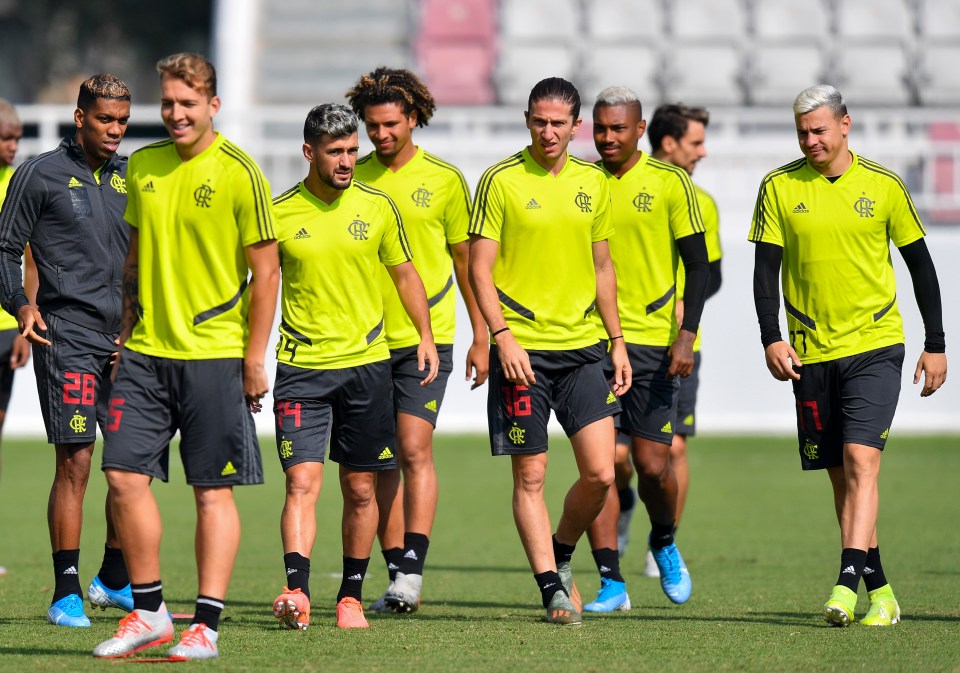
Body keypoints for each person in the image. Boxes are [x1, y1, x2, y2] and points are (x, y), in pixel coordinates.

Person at [93, 53, 279, 659]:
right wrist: (123, 337)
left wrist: (255, 357)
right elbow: (134, 262)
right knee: (121, 476)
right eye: (168, 103)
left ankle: (206, 625)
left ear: (213, 106)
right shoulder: (143, 166)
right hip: (144, 354)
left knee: (210, 491)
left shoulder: (239, 172)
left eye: (188, 104)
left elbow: (266, 271)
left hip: (215, 356)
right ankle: (149, 612)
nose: (175, 114)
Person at [750, 84, 947, 627]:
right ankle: (880, 591)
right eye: (802, 132)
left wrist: (936, 343)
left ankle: (843, 585)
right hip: (812, 352)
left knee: (863, 462)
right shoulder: (778, 187)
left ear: (844, 125)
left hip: (875, 345)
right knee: (842, 477)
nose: (811, 140)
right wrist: (771, 336)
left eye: (819, 129)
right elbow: (765, 272)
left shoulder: (883, 186)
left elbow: (921, 266)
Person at [468, 77, 631, 626]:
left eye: (558, 122)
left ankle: (561, 551)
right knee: (530, 477)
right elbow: (479, 269)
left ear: (576, 126)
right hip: (524, 355)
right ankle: (551, 589)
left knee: (602, 474)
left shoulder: (594, 182)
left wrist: (618, 341)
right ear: (527, 120)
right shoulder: (500, 180)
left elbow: (603, 267)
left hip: (584, 350)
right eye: (539, 120)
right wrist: (501, 336)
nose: (548, 131)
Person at [270, 103, 438, 630]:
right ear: (308, 153)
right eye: (335, 152)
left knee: (362, 488)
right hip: (301, 368)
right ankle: (296, 591)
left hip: (368, 366)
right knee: (301, 484)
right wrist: (248, 358)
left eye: (350, 150)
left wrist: (426, 336)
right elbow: (252, 289)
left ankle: (349, 597)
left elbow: (407, 276)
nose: (347, 160)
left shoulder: (379, 206)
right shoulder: (277, 213)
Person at [346, 67, 487, 613]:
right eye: (371, 126)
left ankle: (411, 572)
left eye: (389, 125)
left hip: (428, 340)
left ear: (412, 119)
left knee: (412, 448)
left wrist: (482, 336)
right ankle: (395, 573)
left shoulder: (446, 180)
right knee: (376, 462)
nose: (380, 135)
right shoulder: (350, 177)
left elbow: (465, 261)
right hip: (361, 343)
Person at [0, 77, 133, 626]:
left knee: (131, 467)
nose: (116, 131)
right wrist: (20, 307)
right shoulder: (40, 174)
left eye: (123, 121)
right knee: (76, 461)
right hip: (68, 337)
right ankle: (66, 591)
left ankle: (114, 578)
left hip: (128, 342)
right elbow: (5, 248)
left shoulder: (135, 176)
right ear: (80, 118)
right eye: (106, 120)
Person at [582, 87, 709, 613]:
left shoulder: (670, 183)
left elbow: (700, 266)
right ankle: (611, 580)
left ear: (640, 131)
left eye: (618, 128)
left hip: (653, 344)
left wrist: (687, 333)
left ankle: (663, 541)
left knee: (654, 465)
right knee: (602, 466)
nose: (608, 137)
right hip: (586, 343)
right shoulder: (577, 182)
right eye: (600, 128)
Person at [637, 103, 724, 579]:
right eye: (695, 142)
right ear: (668, 143)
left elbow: (711, 274)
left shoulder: (702, 202)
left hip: (680, 344)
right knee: (613, 458)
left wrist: (684, 313)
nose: (703, 152)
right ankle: (626, 515)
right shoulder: (617, 187)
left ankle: (662, 543)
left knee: (674, 450)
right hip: (620, 342)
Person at [0, 97, 37, 578]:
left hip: (7, 326)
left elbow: (29, 258)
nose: (11, 147)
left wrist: (24, 327)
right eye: (4, 138)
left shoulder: (20, 184)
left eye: (15, 139)